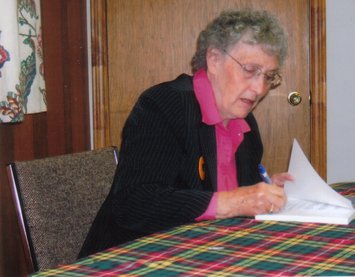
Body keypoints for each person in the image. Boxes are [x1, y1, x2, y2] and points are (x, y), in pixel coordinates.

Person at [78, 9, 294, 258]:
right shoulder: (164, 106)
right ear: (214, 59)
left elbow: (231, 195)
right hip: (134, 258)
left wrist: (263, 188)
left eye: (268, 77)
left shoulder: (245, 125)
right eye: (250, 69)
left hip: (203, 254)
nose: (259, 89)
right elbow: (134, 203)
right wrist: (234, 201)